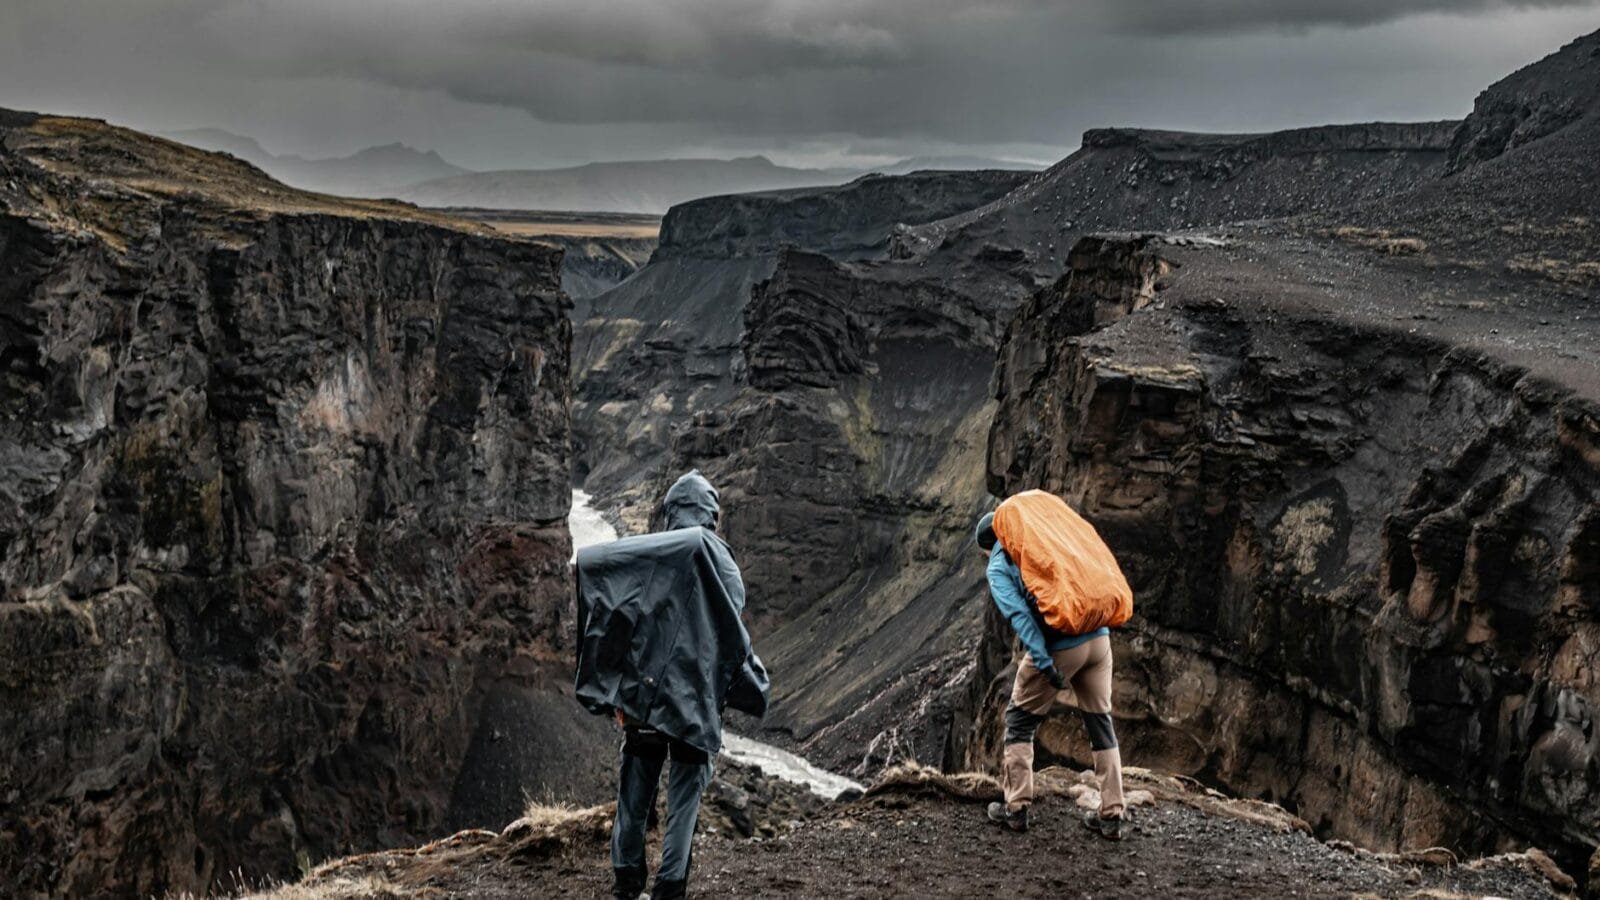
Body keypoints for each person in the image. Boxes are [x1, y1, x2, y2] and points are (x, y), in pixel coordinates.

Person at [574, 471, 769, 900]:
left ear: (671, 511)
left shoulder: (651, 556)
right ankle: (669, 889)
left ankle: (627, 884)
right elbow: (725, 637)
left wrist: (615, 693)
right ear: (711, 514)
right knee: (684, 803)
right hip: (696, 708)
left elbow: (622, 617)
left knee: (634, 794)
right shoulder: (727, 569)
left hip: (645, 701)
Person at [975, 509, 1127, 840]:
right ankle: (1112, 813)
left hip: (1062, 647)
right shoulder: (1047, 544)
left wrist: (1042, 660)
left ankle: (1015, 807)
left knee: (1019, 721)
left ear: (990, 543)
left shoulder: (1000, 564)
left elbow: (1019, 616)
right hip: (1099, 639)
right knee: (1100, 723)